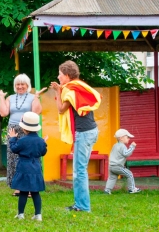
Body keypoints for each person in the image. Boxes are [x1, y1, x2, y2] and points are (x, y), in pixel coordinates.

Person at [50, 60, 101, 212]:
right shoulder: (78, 86)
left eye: (60, 74)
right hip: (91, 131)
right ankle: (80, 204)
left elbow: (60, 109)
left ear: (66, 75)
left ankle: (83, 206)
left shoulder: (70, 90)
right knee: (80, 170)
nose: (58, 77)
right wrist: (61, 91)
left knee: (79, 171)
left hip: (84, 133)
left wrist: (57, 92)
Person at [0, 73, 42, 196]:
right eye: (17, 84)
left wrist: (37, 97)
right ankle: (18, 187)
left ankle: (31, 188)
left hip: (28, 129)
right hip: (13, 129)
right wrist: (1, 97)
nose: (20, 86)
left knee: (29, 158)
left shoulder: (32, 97)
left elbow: (37, 111)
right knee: (13, 158)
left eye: (22, 84)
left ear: (27, 85)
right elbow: (3, 113)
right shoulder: (10, 98)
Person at [9, 112, 47, 221]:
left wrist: (13, 138)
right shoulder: (40, 141)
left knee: (23, 192)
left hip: (24, 167)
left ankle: (20, 214)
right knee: (35, 192)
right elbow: (43, 152)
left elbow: (14, 149)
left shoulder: (22, 140)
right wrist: (44, 144)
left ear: (25, 129)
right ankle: (38, 215)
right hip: (36, 167)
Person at [104, 129, 140, 194]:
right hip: (118, 166)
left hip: (111, 166)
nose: (129, 139)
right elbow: (126, 154)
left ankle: (107, 190)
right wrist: (132, 147)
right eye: (127, 137)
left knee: (112, 178)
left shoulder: (115, 145)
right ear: (121, 138)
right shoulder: (122, 146)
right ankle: (132, 189)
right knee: (129, 174)